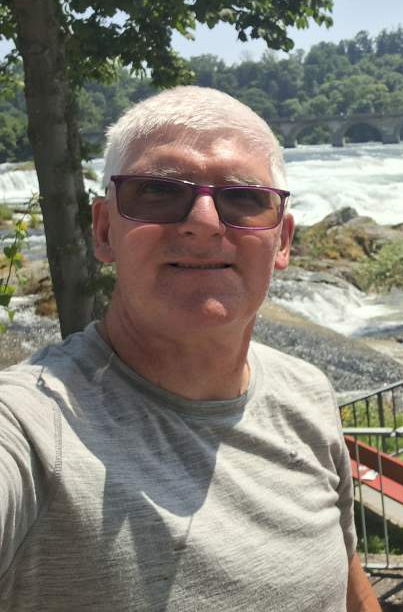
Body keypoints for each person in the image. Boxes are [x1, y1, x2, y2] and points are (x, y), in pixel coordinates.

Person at [0, 87, 379, 611]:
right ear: (104, 230)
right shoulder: (33, 429)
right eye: (157, 191)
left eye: (244, 198)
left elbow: (346, 583)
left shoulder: (308, 395)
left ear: (283, 241)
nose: (203, 222)